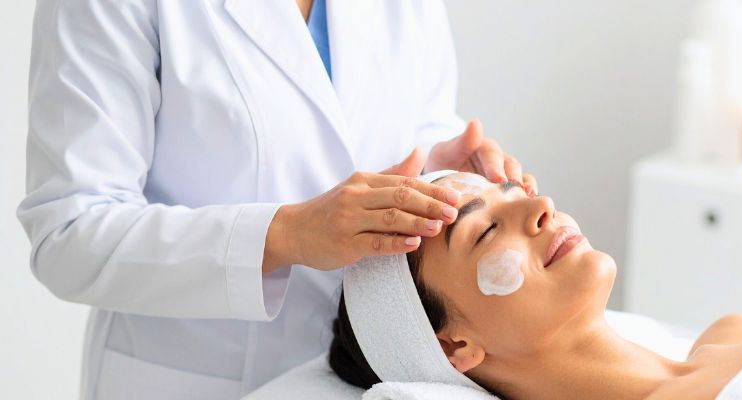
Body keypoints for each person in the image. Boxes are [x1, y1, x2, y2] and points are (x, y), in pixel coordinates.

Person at [17, 1, 536, 399]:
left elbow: (408, 122)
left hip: (369, 376)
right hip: (197, 379)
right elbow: (69, 233)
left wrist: (440, 167)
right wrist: (288, 235)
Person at [329, 172, 742, 400]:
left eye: (516, 195)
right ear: (452, 347)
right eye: (485, 232)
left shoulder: (739, 331)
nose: (542, 205)